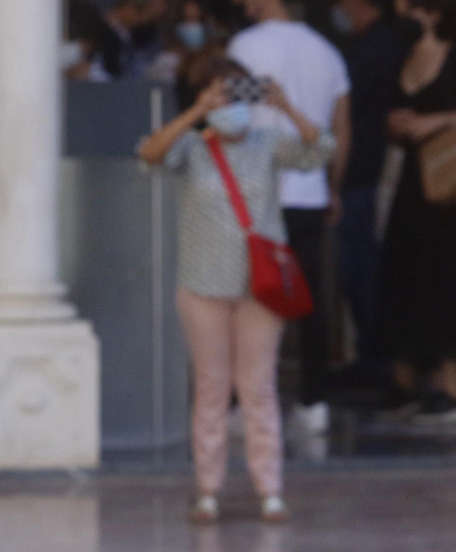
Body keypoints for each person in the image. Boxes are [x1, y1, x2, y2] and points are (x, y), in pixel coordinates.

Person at [138, 58, 333, 525]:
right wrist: (195, 113)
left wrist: (286, 107)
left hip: (260, 288)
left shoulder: (269, 142)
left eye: (235, 94)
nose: (230, 105)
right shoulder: (192, 145)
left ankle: (271, 490)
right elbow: (149, 153)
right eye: (219, 95)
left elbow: (321, 149)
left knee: (259, 388)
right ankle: (208, 490)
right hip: (203, 284)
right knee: (210, 388)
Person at [228, 0, 351, 435]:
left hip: (257, 195)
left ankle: (249, 400)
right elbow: (341, 128)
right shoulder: (326, 52)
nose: (241, 3)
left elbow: (233, 117)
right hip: (311, 191)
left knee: (254, 296)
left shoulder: (245, 46)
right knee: (310, 298)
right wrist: (333, 186)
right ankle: (314, 400)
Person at [379, 0, 456, 424]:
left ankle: (452, 384)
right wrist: (400, 122)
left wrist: (429, 123)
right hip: (411, 184)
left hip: (451, 185)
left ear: (427, 10)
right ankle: (406, 378)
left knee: (451, 279)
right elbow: (392, 115)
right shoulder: (403, 56)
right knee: (404, 276)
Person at [330, 0, 407, 389]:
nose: (341, 11)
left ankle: (375, 359)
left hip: (367, 171)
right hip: (364, 169)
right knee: (357, 267)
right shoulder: (382, 45)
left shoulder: (372, 49)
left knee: (362, 268)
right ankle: (371, 356)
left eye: (345, 1)